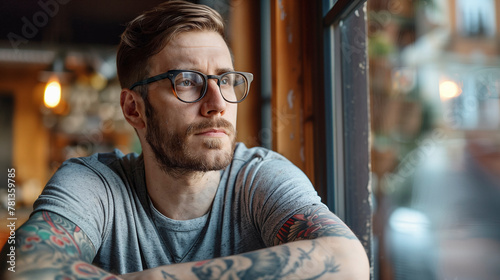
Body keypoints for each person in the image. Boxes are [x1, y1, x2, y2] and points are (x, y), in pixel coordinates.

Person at [0, 1, 369, 279]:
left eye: (225, 80)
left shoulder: (259, 178)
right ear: (134, 109)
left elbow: (349, 262)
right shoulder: (94, 184)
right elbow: (24, 269)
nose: (218, 104)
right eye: (187, 82)